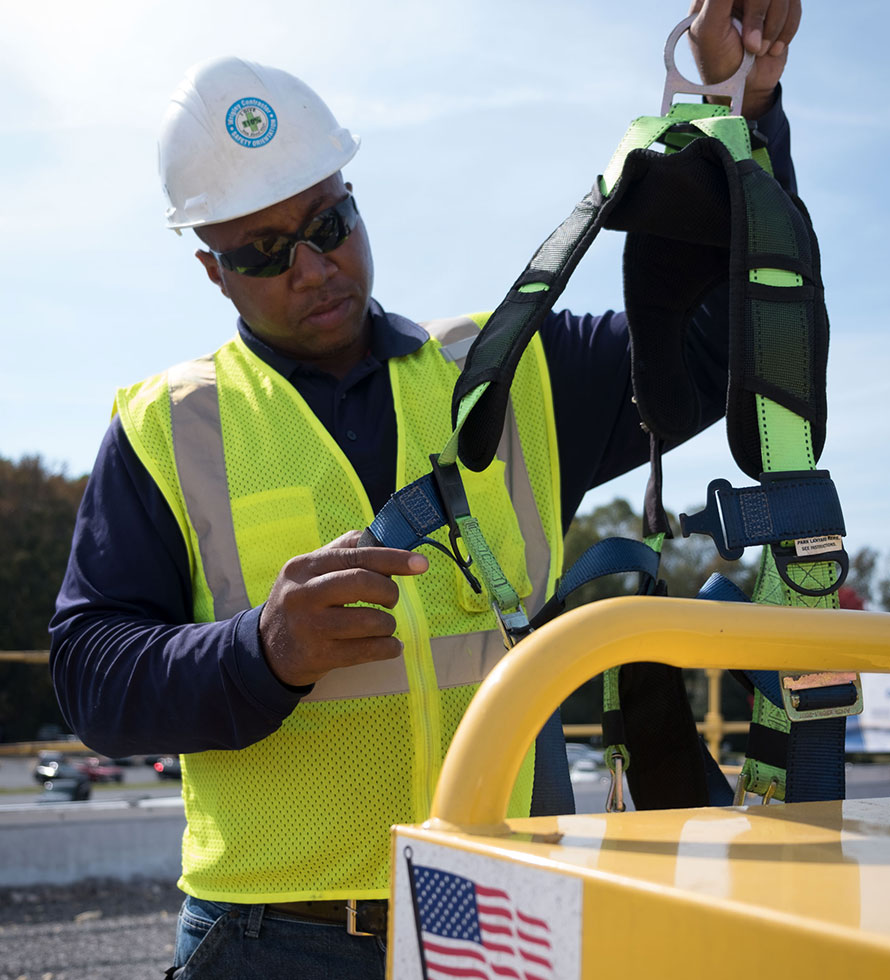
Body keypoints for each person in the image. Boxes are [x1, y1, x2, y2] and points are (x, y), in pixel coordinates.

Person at [49, 1, 801, 976]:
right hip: (276, 935)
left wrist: (732, 99)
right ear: (211, 269)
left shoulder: (507, 368)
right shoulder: (166, 426)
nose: (313, 265)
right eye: (263, 251)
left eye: (328, 221)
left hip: (501, 915)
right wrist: (259, 649)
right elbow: (91, 674)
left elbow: (717, 345)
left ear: (354, 197)